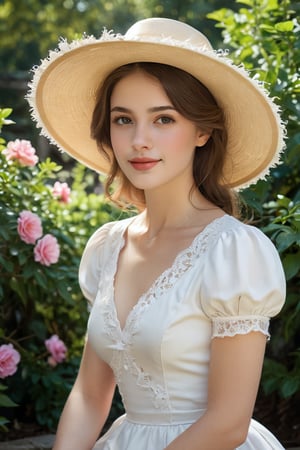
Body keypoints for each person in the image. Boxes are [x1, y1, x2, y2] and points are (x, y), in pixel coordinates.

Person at [27, 17, 286, 450]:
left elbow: (228, 422)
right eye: (123, 119)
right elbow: (90, 396)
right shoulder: (109, 246)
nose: (139, 140)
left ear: (203, 131)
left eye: (163, 119)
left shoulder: (233, 252)